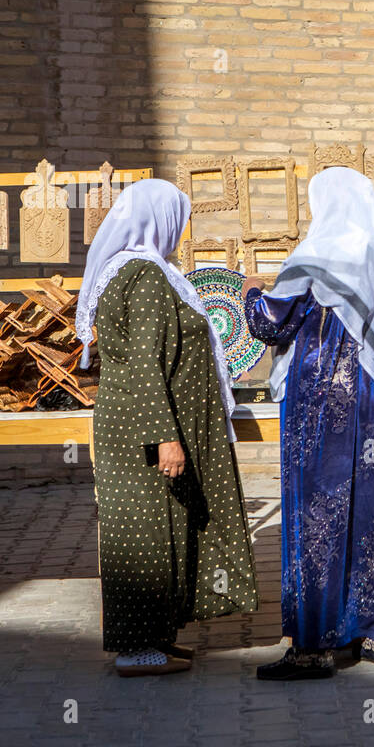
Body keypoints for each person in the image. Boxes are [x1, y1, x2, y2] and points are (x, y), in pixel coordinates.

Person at [244, 166, 374, 680]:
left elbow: (267, 324)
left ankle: (314, 648)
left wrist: (252, 289)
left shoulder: (315, 256)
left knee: (319, 515)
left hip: (323, 406)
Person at [77, 179, 259, 677]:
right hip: (145, 430)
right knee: (144, 537)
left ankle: (153, 637)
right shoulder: (147, 280)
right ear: (161, 221)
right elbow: (144, 363)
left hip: (130, 425)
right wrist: (165, 437)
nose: (180, 232)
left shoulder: (130, 272)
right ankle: (138, 649)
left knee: (160, 531)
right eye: (177, 221)